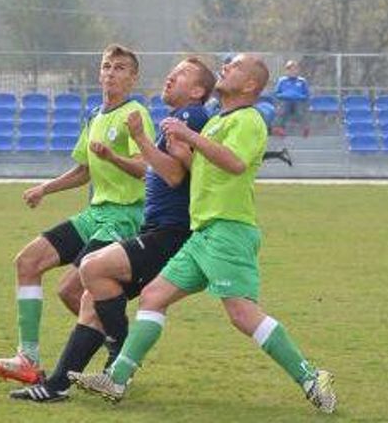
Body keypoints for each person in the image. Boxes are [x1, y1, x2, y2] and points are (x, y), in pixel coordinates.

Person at [69, 54, 337, 414]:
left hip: (228, 229)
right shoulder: (217, 122)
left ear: (250, 85)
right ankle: (116, 379)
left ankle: (312, 377)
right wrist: (184, 152)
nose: (225, 68)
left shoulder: (248, 119)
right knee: (153, 296)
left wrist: (187, 135)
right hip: (202, 232)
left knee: (241, 313)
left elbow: (235, 163)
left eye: (234, 67)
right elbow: (206, 168)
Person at [8, 57, 217, 402]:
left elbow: (172, 174)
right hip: (146, 224)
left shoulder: (186, 117)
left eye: (181, 74)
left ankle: (117, 362)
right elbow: (93, 169)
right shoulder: (165, 119)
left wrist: (139, 139)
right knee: (87, 296)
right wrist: (46, 188)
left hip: (162, 228)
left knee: (91, 275)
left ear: (197, 91)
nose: (170, 76)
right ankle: (60, 383)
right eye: (106, 66)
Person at [0, 44, 156, 385]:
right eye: (107, 66)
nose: (111, 73)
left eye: (120, 68)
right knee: (27, 262)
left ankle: (120, 355)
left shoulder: (135, 114)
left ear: (133, 78)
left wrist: (112, 156)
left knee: (70, 290)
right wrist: (44, 188)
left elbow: (145, 170)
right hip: (95, 213)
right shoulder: (95, 116)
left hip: (123, 217)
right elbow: (83, 170)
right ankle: (28, 358)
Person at [273, 59, 311, 137]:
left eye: (294, 69)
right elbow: (276, 93)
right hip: (285, 101)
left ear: (298, 70)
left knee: (300, 110)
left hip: (298, 101)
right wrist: (285, 95)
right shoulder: (282, 81)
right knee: (282, 109)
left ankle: (305, 128)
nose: (293, 71)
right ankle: (279, 128)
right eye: (290, 70)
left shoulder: (302, 81)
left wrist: (299, 96)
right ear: (287, 71)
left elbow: (307, 94)